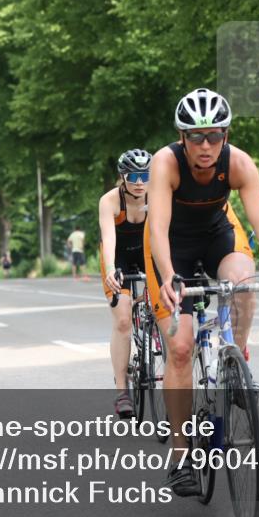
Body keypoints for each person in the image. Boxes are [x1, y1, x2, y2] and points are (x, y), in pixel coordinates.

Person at [145, 88, 259, 497]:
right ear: (182, 138)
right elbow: (157, 227)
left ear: (226, 135)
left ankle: (236, 358)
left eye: (214, 135)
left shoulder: (239, 163)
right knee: (179, 347)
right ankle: (180, 457)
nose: (206, 145)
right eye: (196, 137)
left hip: (216, 234)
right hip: (170, 246)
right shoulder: (166, 163)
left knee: (243, 281)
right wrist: (168, 275)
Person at [98, 148, 151, 418]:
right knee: (122, 320)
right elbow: (109, 240)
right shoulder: (110, 201)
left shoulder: (158, 196)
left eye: (145, 175)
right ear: (123, 176)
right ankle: (122, 391)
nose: (140, 182)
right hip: (118, 256)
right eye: (133, 175)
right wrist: (110, 269)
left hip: (147, 253)